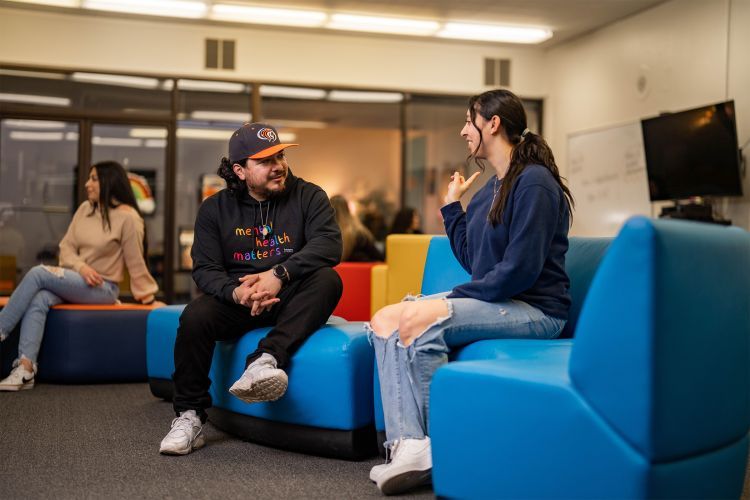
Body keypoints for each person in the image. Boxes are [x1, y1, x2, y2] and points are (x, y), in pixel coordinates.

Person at [366, 89, 574, 495]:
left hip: (537, 310)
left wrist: (448, 300)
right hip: (504, 301)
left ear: (492, 123)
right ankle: (407, 444)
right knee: (384, 320)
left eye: (468, 121)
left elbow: (520, 271)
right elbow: (474, 260)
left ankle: (440, 448)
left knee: (420, 320)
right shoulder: (490, 190)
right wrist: (452, 206)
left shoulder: (535, 183)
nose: (464, 131)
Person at [159, 123, 343, 455]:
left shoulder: (309, 195)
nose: (278, 165)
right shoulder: (215, 209)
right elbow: (205, 268)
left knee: (328, 279)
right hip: (240, 301)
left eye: (280, 155)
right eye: (266, 161)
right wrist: (237, 293)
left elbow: (329, 245)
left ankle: (265, 359)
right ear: (240, 170)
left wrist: (279, 273)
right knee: (195, 315)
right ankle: (189, 415)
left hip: (288, 295)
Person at [0, 161, 160, 391]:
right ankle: (25, 369)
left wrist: (148, 297)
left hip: (103, 288)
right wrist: (81, 267)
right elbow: (66, 247)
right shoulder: (85, 209)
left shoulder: (129, 218)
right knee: (41, 297)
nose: (87, 184)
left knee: (37, 273)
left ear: (108, 182)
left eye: (93, 179)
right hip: (76, 280)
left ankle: (1, 328)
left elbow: (135, 261)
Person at [330, 194, 383, 262]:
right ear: (347, 209)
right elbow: (379, 258)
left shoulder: (325, 234)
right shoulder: (361, 233)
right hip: (364, 271)